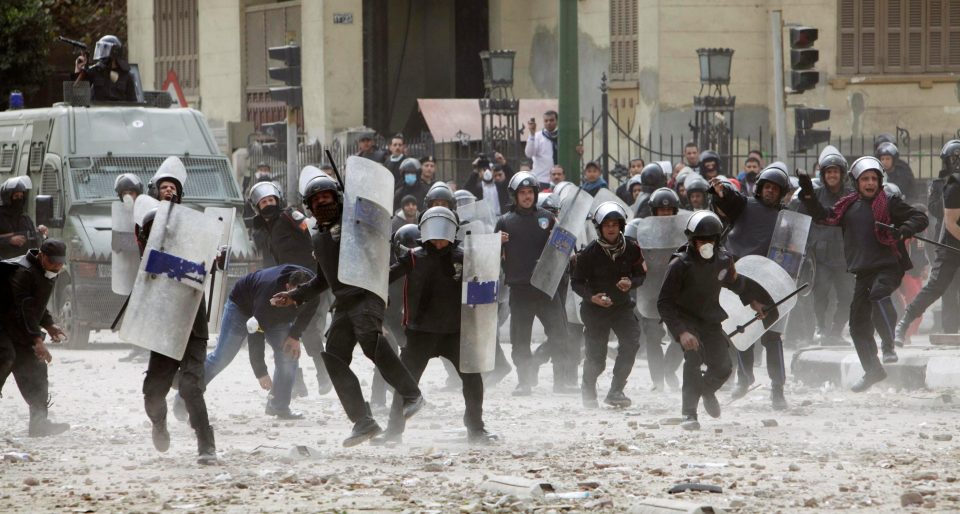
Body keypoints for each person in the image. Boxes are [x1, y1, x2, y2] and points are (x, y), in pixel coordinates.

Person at [272, 172, 424, 446]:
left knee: (369, 339)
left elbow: (378, 245)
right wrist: (295, 295)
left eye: (327, 197)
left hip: (367, 292)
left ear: (338, 198)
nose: (322, 202)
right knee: (334, 357)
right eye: (316, 199)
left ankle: (411, 394)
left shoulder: (356, 221)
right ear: (310, 205)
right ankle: (362, 421)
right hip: (343, 301)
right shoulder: (317, 237)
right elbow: (323, 279)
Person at [797, 156, 928, 390]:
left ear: (879, 180)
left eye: (873, 178)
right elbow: (822, 216)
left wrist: (904, 228)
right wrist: (807, 192)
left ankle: (888, 346)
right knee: (857, 325)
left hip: (889, 265)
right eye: (865, 179)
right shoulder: (847, 206)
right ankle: (873, 369)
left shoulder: (889, 202)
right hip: (863, 272)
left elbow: (920, 217)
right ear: (857, 182)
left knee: (879, 294)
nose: (869, 183)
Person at [373, 207, 498, 445]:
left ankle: (476, 429)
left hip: (456, 332)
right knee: (405, 384)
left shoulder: (465, 257)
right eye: (435, 233)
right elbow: (384, 277)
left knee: (472, 380)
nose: (439, 240)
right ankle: (393, 432)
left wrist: (496, 250)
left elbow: (485, 284)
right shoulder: (412, 257)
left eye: (444, 233)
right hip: (420, 333)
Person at [138, 158, 218, 464]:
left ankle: (206, 444)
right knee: (153, 393)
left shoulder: (194, 226)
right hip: (163, 324)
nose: (168, 190)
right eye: (163, 187)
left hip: (192, 322)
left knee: (190, 388)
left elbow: (206, 262)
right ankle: (159, 424)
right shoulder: (146, 227)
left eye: (173, 187)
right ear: (156, 192)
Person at [658, 212, 768, 430]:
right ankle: (689, 413)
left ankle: (707, 391)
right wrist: (681, 332)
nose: (705, 244)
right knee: (693, 358)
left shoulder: (724, 261)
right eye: (701, 240)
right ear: (691, 240)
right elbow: (664, 303)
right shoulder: (679, 265)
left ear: (717, 240)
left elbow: (735, 283)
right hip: (684, 319)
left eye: (710, 239)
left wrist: (752, 301)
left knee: (723, 366)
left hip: (709, 319)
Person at [710, 163, 792, 410]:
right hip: (742, 278)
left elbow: (794, 251)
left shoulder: (787, 218)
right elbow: (729, 200)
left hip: (771, 282)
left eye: (775, 189)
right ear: (760, 188)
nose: (770, 192)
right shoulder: (745, 205)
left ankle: (778, 389)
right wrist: (722, 189)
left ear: (781, 193)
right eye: (766, 187)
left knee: (773, 337)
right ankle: (745, 378)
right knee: (741, 329)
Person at [187, 265, 317, 419]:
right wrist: (260, 372)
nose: (297, 304)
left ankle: (279, 406)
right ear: (287, 287)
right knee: (221, 357)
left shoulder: (313, 289)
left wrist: (295, 336)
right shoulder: (269, 291)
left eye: (301, 300)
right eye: (294, 299)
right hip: (242, 308)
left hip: (278, 317)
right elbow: (255, 332)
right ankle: (185, 397)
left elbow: (309, 312)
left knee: (289, 355)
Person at [245, 179, 332, 398]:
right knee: (284, 330)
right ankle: (295, 382)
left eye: (271, 199)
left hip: (310, 279)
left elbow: (311, 230)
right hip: (283, 284)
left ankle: (324, 373)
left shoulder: (288, 216)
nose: (268, 204)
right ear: (257, 206)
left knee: (310, 329)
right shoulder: (264, 227)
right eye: (264, 202)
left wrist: (318, 256)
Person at [496, 171, 572, 396]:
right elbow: (490, 256)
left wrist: (556, 240)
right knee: (520, 339)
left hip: (546, 288)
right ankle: (525, 382)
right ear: (515, 195)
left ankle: (561, 382)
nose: (527, 197)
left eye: (530, 192)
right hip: (520, 289)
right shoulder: (504, 221)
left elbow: (564, 248)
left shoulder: (547, 218)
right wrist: (496, 242)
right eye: (523, 193)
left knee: (560, 335)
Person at [571, 202, 646, 408]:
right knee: (597, 357)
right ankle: (588, 388)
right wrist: (592, 297)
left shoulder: (632, 248)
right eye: (606, 225)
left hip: (622, 307)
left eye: (615, 224)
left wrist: (631, 283)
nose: (611, 228)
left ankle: (616, 390)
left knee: (631, 344)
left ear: (621, 226)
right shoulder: (589, 253)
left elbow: (641, 274)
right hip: (595, 310)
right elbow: (576, 282)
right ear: (599, 228)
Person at [0, 239, 70, 437]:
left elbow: (38, 304)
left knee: (36, 369)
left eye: (60, 263)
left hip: (20, 327)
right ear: (41, 256)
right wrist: (38, 341)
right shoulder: (25, 273)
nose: (57, 267)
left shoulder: (48, 272)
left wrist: (49, 324)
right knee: (5, 357)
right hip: (4, 326)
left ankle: (39, 424)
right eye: (53, 262)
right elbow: (25, 308)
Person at [895, 140, 960, 345]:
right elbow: (950, 222)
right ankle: (904, 323)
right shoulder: (953, 185)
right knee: (937, 287)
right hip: (951, 244)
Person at [795, 149, 854, 345]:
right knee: (821, 292)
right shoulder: (813, 195)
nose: (832, 175)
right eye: (828, 172)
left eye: (835, 171)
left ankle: (836, 332)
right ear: (822, 174)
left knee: (847, 295)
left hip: (845, 255)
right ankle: (821, 328)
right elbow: (799, 220)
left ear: (842, 173)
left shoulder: (851, 196)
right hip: (819, 255)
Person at [634, 188, 684, 391]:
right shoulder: (644, 232)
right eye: (661, 211)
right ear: (653, 212)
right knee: (653, 338)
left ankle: (669, 369)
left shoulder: (683, 233)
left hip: (676, 292)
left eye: (669, 211)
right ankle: (657, 381)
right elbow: (635, 254)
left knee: (682, 336)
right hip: (651, 290)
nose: (665, 215)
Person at [73, 35, 137, 102]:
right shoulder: (95, 71)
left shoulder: (126, 76)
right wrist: (79, 69)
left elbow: (133, 102)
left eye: (105, 49)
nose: (102, 52)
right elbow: (77, 92)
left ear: (114, 52)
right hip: (97, 111)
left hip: (119, 111)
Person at [0, 177, 44, 260]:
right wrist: (9, 240)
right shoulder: (1, 217)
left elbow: (34, 241)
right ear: (8, 198)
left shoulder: (25, 218)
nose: (19, 199)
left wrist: (40, 233)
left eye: (21, 196)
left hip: (25, 264)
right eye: (16, 196)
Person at [525, 111, 559, 189]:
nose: (548, 123)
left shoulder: (562, 135)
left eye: (551, 120)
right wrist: (532, 134)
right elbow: (529, 154)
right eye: (546, 121)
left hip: (559, 181)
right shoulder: (537, 136)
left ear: (557, 121)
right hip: (542, 180)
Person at [875, 138, 916, 202]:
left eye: (888, 159)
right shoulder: (876, 174)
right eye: (882, 159)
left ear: (894, 159)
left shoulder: (903, 174)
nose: (885, 162)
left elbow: (912, 194)